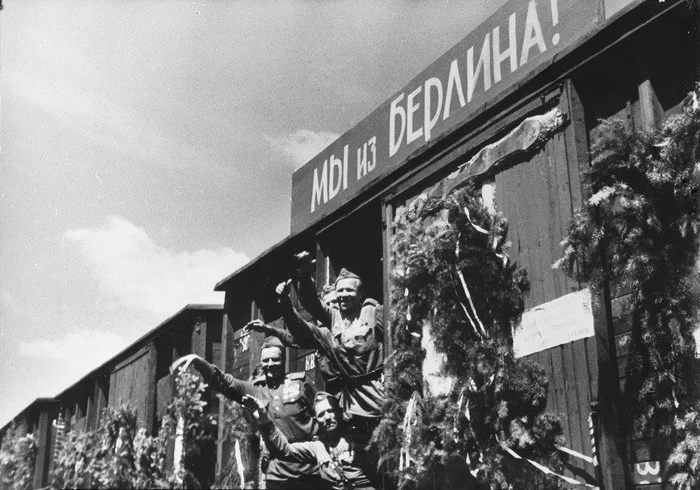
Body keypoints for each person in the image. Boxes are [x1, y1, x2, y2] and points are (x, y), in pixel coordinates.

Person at [170, 337, 328, 489]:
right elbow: (225, 382)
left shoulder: (301, 383)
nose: (270, 364)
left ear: (284, 361)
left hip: (311, 471)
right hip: (279, 476)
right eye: (265, 360)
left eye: (275, 359)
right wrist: (200, 364)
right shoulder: (255, 389)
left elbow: (324, 413)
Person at [272, 267, 385, 443]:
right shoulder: (329, 329)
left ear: (361, 292)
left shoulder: (372, 312)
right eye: (340, 291)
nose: (343, 295)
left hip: (381, 395)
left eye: (349, 290)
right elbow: (304, 317)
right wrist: (287, 299)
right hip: (354, 406)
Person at [241, 392, 379, 490]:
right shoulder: (317, 447)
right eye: (321, 415)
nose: (327, 418)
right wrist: (265, 421)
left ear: (339, 412)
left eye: (330, 411)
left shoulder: (360, 438)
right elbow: (284, 450)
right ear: (317, 422)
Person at [245, 285, 344, 396]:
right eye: (327, 304)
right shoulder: (320, 336)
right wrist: (269, 329)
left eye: (334, 302)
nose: (330, 307)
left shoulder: (346, 331)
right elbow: (295, 338)